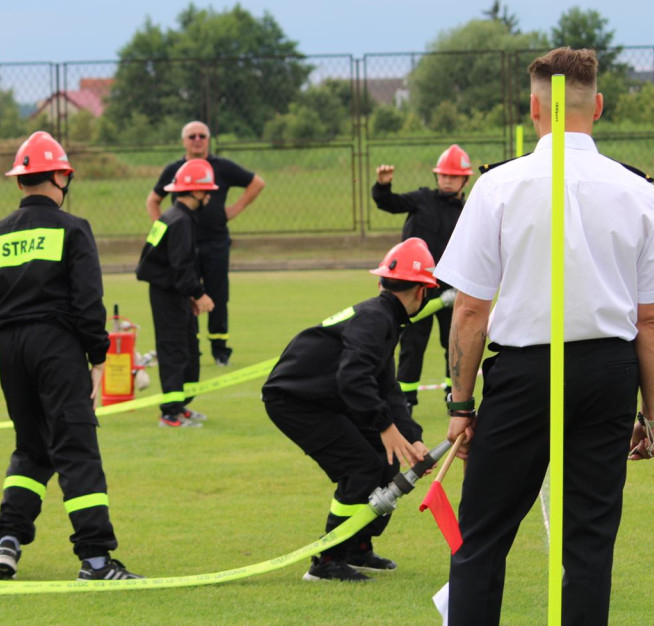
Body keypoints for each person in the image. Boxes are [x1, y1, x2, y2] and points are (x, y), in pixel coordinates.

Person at [435, 48, 654, 625]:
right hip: (607, 374)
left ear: (533, 109)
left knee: (482, 535)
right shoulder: (637, 191)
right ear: (596, 106)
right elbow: (652, 319)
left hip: (524, 375)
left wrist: (461, 404)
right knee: (590, 542)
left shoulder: (498, 186)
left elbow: (471, 309)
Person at [0, 131, 141, 582]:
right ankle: (96, 561)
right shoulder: (74, 229)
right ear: (61, 176)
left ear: (20, 182)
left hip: (10, 353)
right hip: (56, 348)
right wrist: (99, 356)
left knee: (32, 448)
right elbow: (88, 302)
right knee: (76, 448)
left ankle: (8, 543)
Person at [262, 238, 434, 582]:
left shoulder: (385, 318)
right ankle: (327, 561)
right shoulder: (376, 319)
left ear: (381, 282)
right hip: (294, 401)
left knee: (385, 461)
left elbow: (386, 386)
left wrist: (412, 439)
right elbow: (354, 378)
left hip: (325, 398)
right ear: (422, 293)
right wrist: (384, 426)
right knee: (361, 467)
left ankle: (357, 547)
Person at [146, 121, 266, 367]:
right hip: (183, 247)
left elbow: (257, 183)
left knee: (218, 297)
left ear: (208, 140)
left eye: (202, 135)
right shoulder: (175, 169)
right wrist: (166, 231)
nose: (197, 140)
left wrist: (233, 209)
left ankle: (220, 350)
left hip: (215, 243)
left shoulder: (222, 166)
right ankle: (190, 349)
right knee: (185, 295)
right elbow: (153, 201)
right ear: (184, 141)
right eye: (192, 136)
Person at [371, 144, 471, 413]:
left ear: (465, 179)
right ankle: (405, 403)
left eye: (453, 176)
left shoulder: (470, 210)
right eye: (443, 175)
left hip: (453, 289)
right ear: (436, 176)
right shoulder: (422, 199)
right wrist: (382, 186)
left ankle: (456, 399)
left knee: (455, 345)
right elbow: (389, 203)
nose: (447, 180)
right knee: (412, 347)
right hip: (415, 289)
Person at [136, 158, 217, 428]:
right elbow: (181, 266)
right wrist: (199, 294)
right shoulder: (180, 221)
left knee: (187, 348)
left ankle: (180, 406)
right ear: (195, 192)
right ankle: (169, 414)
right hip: (167, 295)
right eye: (207, 191)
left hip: (173, 293)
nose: (209, 197)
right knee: (173, 349)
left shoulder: (172, 217)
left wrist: (189, 297)